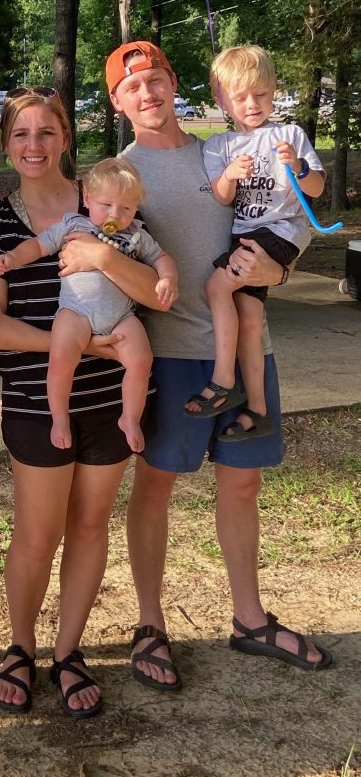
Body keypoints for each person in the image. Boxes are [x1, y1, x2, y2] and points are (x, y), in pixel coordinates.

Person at [106, 39, 332, 689]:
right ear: (118, 102)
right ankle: (150, 624)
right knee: (155, 487)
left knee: (243, 485)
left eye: (155, 79)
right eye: (131, 87)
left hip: (248, 349)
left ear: (175, 82)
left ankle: (249, 619)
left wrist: (280, 271)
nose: (147, 93)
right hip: (172, 355)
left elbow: (286, 217)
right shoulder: (121, 174)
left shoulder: (225, 148)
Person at [0, 88, 169, 719]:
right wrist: (79, 346)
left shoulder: (108, 202)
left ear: (65, 139)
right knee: (37, 533)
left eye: (46, 133)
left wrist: (103, 255)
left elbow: (157, 292)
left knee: (89, 525)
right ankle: (20, 647)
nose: (34, 146)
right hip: (36, 400)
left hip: (111, 401)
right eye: (21, 134)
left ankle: (67, 651)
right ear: (6, 143)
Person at [185, 45, 325, 440]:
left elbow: (316, 187)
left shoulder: (289, 135)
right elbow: (221, 196)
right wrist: (230, 175)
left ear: (274, 90)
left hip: (280, 231)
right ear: (221, 99)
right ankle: (259, 409)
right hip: (246, 233)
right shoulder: (220, 145)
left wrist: (298, 166)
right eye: (241, 96)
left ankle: (224, 379)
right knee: (248, 317)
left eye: (261, 94)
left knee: (216, 287)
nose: (252, 104)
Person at [0, 156, 176, 453]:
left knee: (142, 361)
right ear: (88, 198)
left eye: (126, 208)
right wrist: (13, 257)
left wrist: (168, 278)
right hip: (75, 312)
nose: (115, 214)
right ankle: (59, 418)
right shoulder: (73, 224)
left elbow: (161, 258)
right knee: (61, 357)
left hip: (120, 315)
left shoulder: (136, 234)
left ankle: (130, 418)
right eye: (106, 205)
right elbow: (39, 245)